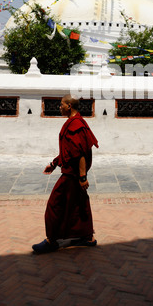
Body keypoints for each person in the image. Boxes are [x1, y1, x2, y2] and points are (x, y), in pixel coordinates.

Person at [32, 95, 99, 254]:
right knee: (79, 205)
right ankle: (87, 237)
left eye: (61, 105)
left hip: (72, 176)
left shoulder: (76, 125)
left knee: (54, 205)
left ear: (69, 106)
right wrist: (54, 163)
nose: (59, 107)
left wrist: (82, 177)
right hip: (73, 174)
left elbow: (81, 153)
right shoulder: (75, 122)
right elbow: (69, 151)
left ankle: (51, 240)